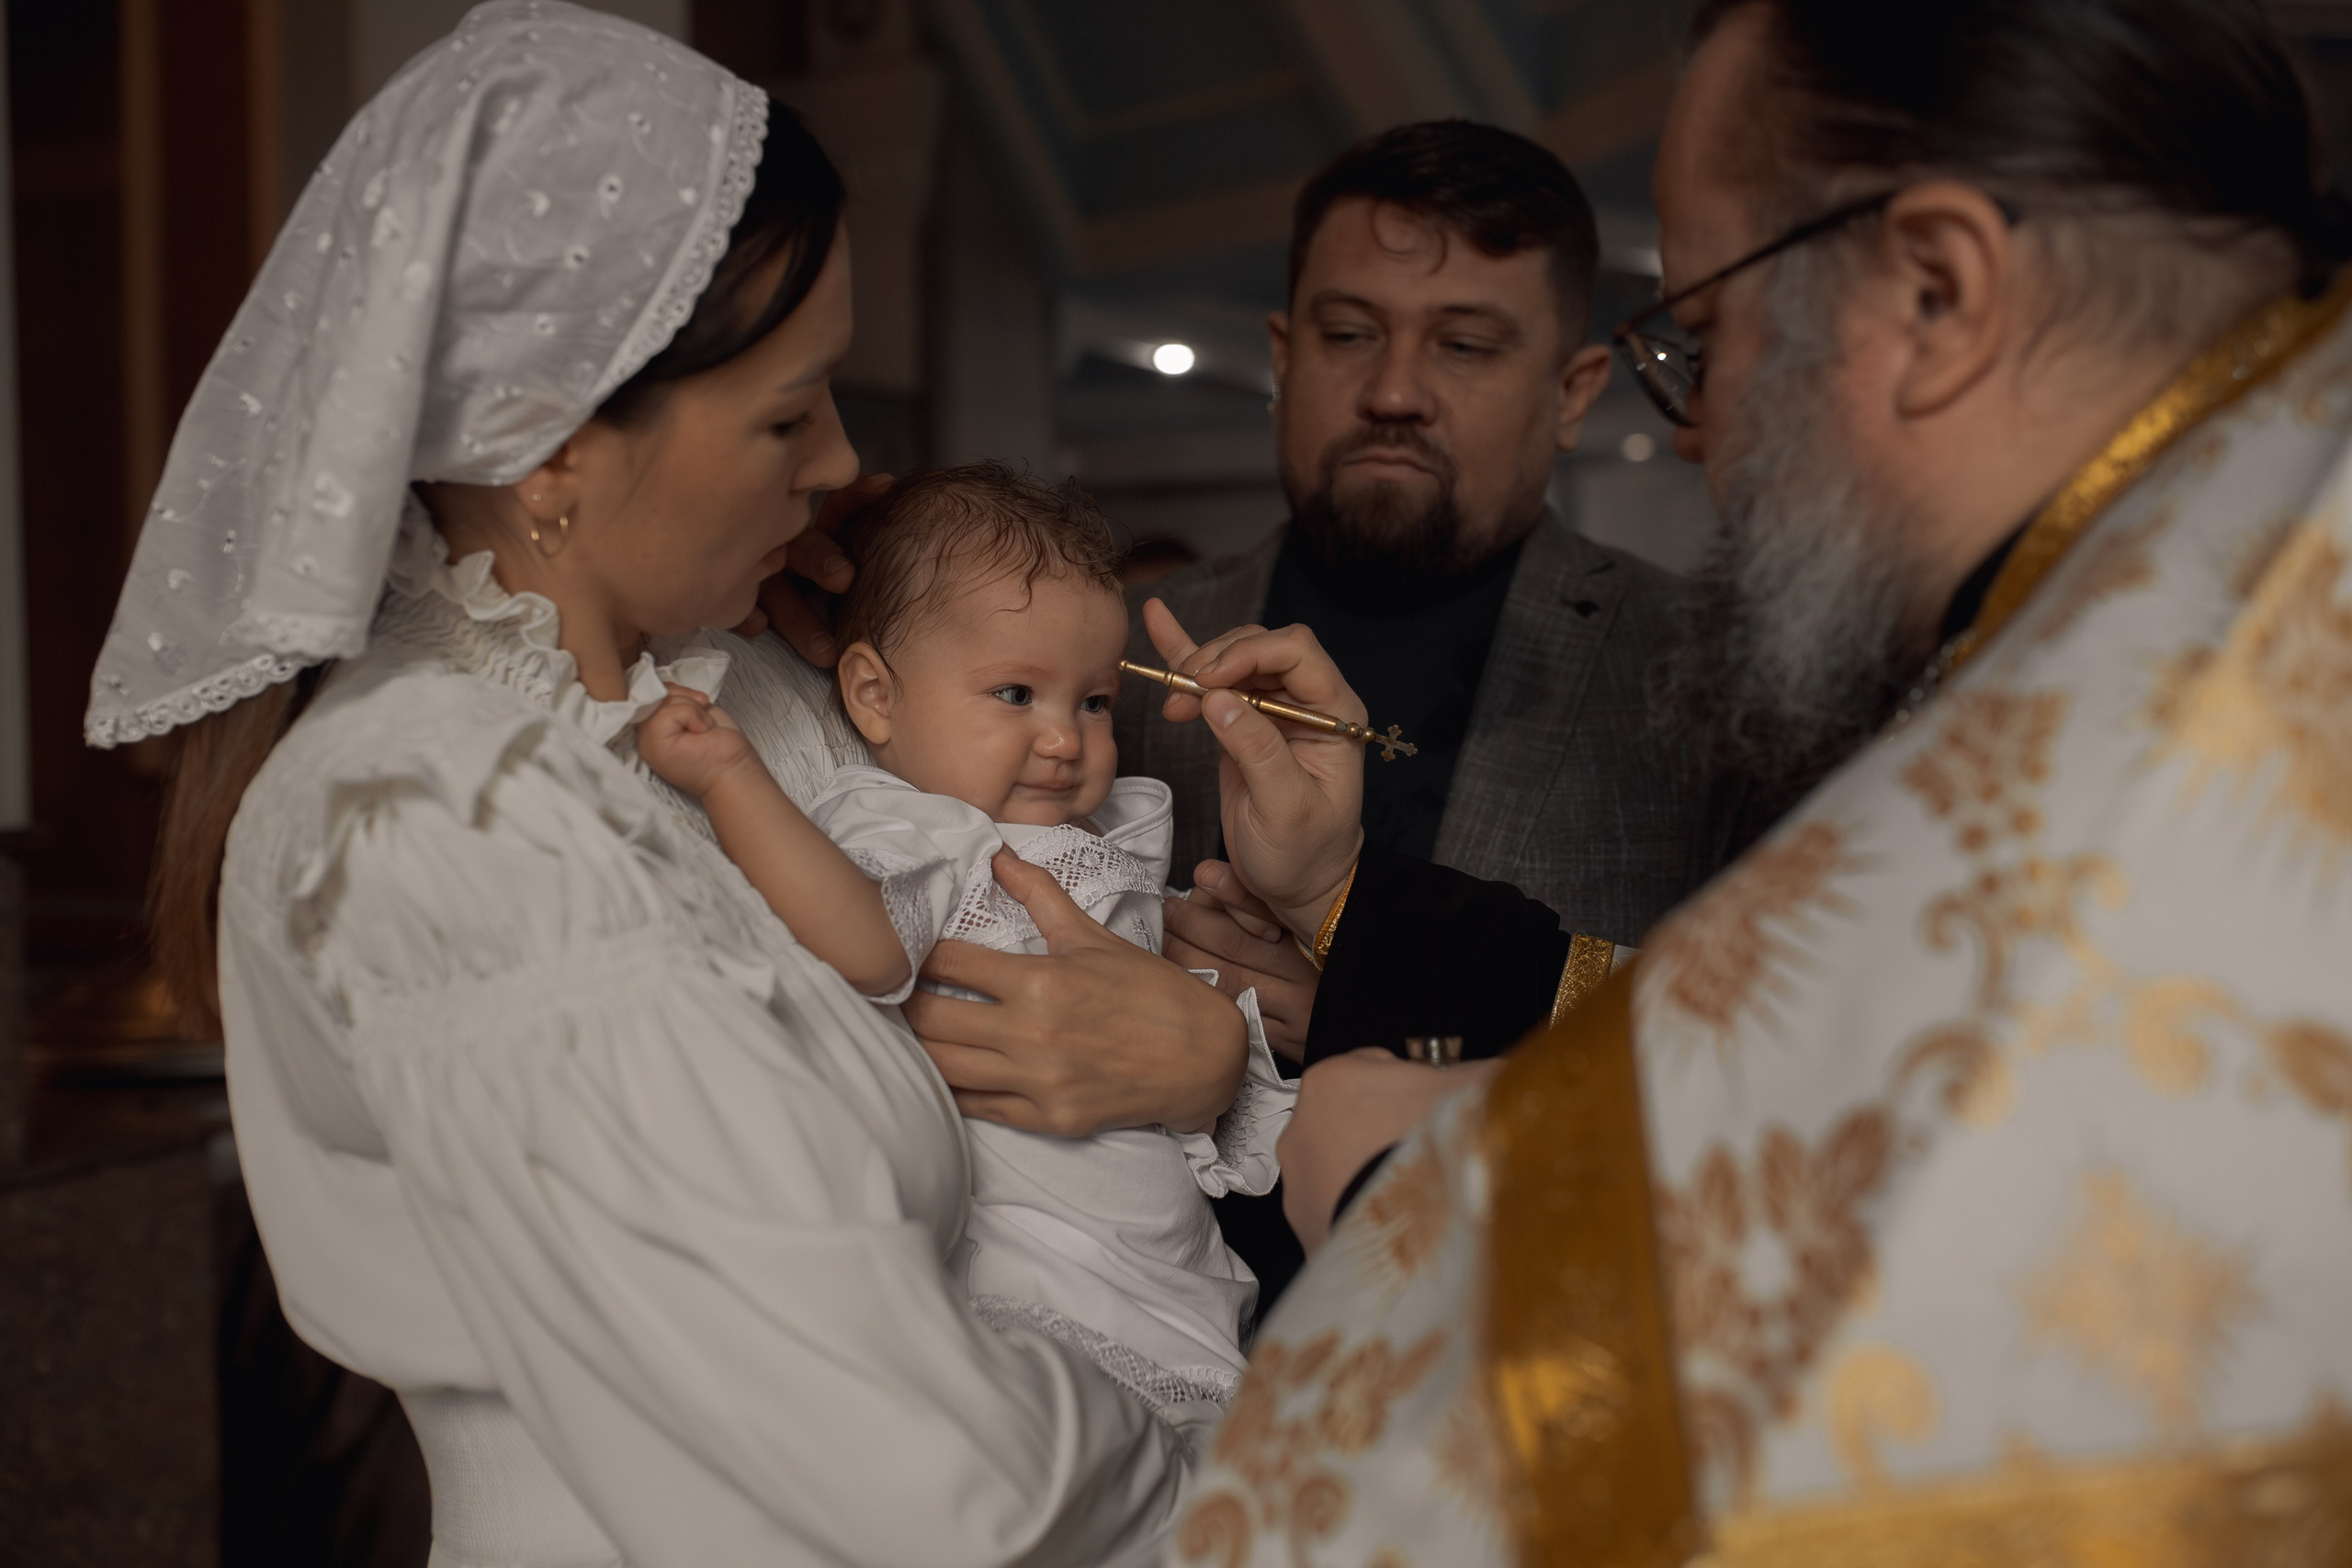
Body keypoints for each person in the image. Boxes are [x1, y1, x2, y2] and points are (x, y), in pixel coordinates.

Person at [1150, 0, 2352, 1562]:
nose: (1702, 430)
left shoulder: (2196, 686)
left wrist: (1403, 1182)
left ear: (1937, 290)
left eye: (1707, 338)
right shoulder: (2220, 557)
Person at [89, 6, 1241, 1561]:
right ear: (550, 449)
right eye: (787, 412)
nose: (839, 462)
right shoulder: (435, 816)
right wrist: (1246, 1462)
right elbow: (925, 1474)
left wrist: (1204, 1047)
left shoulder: (738, 694)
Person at [634, 462, 1292, 1430]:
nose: (1065, 740)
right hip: (1040, 1276)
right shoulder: (912, 827)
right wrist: (736, 780)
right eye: (1016, 693)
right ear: (875, 697)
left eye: (1094, 703)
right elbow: (869, 954)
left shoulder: (1101, 828)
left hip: (1172, 1259)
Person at [1120, 120, 1754, 1070]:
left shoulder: (1714, 675)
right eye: (1348, 334)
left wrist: (1376, 995)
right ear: (1285, 357)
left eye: (1463, 345)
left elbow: (1778, 1037)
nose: (1394, 392)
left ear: (1573, 394)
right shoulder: (1111, 661)